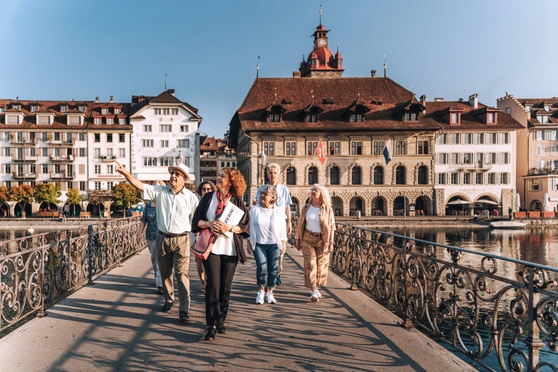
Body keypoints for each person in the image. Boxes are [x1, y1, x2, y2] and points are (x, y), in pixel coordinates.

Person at [116, 161, 199, 324]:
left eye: (177, 174)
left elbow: (196, 221)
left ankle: (184, 309)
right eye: (172, 173)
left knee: (182, 274)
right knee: (165, 272)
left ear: (184, 179)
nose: (173, 176)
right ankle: (169, 299)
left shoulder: (191, 198)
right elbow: (140, 186)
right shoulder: (160, 192)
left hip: (181, 238)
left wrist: (195, 242)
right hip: (162, 237)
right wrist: (126, 174)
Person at [192, 168, 250, 341]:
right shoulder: (208, 198)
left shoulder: (238, 201)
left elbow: (245, 228)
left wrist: (228, 227)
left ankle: (221, 318)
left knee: (225, 287)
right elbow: (196, 222)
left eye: (222, 176)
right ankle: (212, 325)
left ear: (231, 181)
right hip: (212, 249)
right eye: (218, 175)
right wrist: (209, 223)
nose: (218, 178)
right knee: (213, 286)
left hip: (230, 249)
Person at [294, 184, 336, 302]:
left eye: (316, 190)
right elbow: (300, 225)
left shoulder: (328, 209)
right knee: (310, 265)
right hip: (307, 239)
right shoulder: (306, 208)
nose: (313, 192)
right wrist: (297, 239)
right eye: (312, 190)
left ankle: (316, 287)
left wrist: (331, 242)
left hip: (323, 240)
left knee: (321, 266)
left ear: (322, 194)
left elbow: (332, 227)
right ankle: (313, 290)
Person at [247, 185, 287, 305]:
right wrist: (249, 241)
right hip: (259, 243)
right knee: (262, 267)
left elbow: (282, 229)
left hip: (274, 244)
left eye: (265, 194)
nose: (262, 195)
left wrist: (283, 242)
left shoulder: (279, 211)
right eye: (261, 193)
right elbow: (250, 228)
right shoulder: (254, 210)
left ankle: (270, 291)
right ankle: (260, 290)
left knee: (273, 269)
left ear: (273, 197)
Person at [255, 163, 292, 285]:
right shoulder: (262, 189)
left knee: (279, 254)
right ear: (267, 174)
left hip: (279, 222)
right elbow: (257, 204)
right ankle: (267, 278)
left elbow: (287, 207)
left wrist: (289, 222)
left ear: (279, 174)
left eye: (275, 173)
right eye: (270, 173)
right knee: (266, 257)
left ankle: (277, 272)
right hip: (265, 224)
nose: (273, 175)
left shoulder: (284, 189)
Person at [194, 181, 217, 292]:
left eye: (209, 189)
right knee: (199, 264)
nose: (206, 191)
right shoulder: (196, 202)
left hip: (211, 237)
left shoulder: (215, 203)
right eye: (204, 189)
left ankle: (208, 283)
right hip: (198, 236)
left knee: (210, 263)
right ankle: (203, 281)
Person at [137, 199, 163, 294]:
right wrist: (139, 233)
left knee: (163, 258)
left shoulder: (166, 201)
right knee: (154, 258)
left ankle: (161, 283)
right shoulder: (148, 204)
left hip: (165, 235)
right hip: (151, 236)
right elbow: (143, 220)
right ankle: (157, 276)